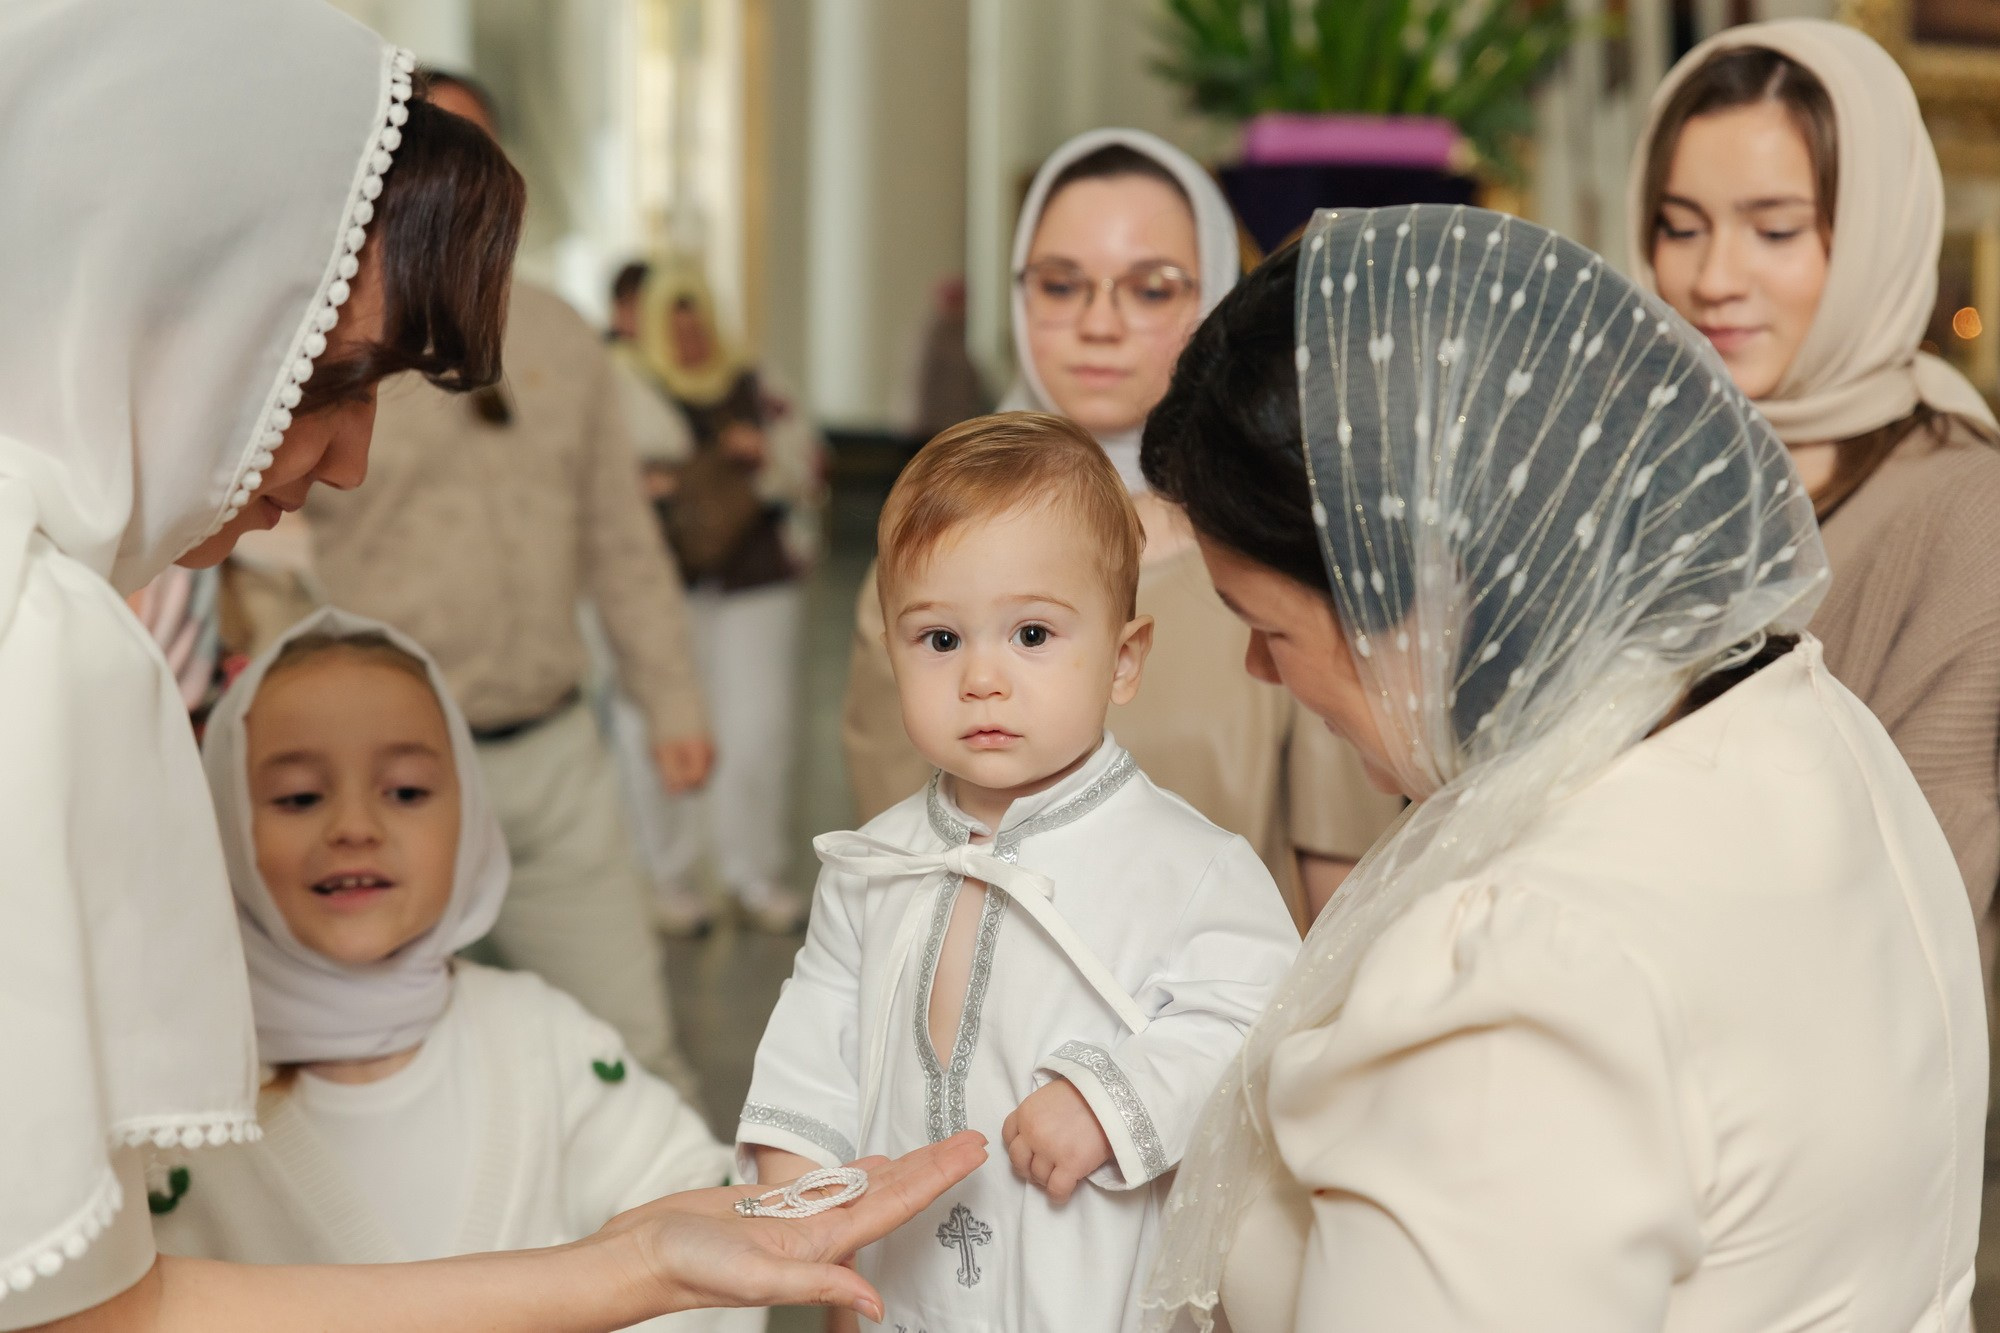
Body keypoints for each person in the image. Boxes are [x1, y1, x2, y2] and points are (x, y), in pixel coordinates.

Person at [0, 3, 980, 1327]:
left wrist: (640, 1255)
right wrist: (627, 1267)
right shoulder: (48, 640)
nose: (350, 455)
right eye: (330, 378)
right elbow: (90, 1312)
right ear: (158, 297)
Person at [1134, 205, 1983, 1331]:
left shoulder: (1519, 974)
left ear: (1415, 591)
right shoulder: (1800, 714)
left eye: (1267, 625)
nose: (1252, 665)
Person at [740, 414, 1302, 1332]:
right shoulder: (874, 857)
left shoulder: (1190, 865)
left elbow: (1259, 1022)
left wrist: (1111, 1098)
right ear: (892, 649)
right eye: (940, 640)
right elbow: (820, 1022)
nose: (983, 679)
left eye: (1032, 634)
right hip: (900, 1285)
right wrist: (797, 1168)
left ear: (1123, 659)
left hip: (1080, 1279)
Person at [842, 129, 1400, 927]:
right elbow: (892, 870)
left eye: (1151, 288)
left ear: (1215, 296)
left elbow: (1341, 893)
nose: (1098, 323)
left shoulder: (1277, 555)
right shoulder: (925, 564)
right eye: (1062, 285)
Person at [154, 609, 757, 1333]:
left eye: (406, 791)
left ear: (470, 817)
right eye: (298, 797)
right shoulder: (177, 1103)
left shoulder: (542, 1042)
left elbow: (702, 1220)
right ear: (225, 822)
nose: (354, 825)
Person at [306, 72, 711, 1088]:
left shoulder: (563, 337)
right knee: (389, 1067)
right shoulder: (329, 340)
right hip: (385, 771)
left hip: (551, 750)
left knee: (631, 1047)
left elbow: (619, 535)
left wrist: (671, 697)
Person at [1631, 20, 2000, 972]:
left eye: (1776, 229)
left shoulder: (1968, 511)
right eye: (1679, 227)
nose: (1712, 279)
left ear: (1875, 231)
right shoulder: (1629, 480)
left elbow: (1921, 903)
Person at [611, 256, 827, 934]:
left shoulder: (757, 383)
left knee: (756, 731)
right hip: (660, 580)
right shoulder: (623, 386)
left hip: (753, 576)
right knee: (660, 725)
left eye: (695, 321)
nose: (687, 339)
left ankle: (753, 872)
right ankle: (667, 876)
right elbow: (590, 479)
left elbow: (810, 466)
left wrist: (762, 454)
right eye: (671, 324)